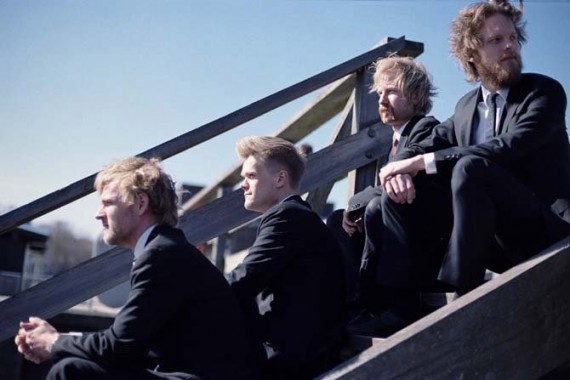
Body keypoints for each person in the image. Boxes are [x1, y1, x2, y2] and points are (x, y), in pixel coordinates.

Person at [380, 0, 570, 296]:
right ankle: (397, 303)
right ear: (471, 54)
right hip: (489, 241)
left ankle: (460, 290)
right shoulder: (465, 107)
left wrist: (418, 163)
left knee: (470, 168)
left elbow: (507, 146)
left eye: (513, 38)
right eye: (496, 40)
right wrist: (399, 166)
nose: (510, 46)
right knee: (396, 196)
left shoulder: (544, 92)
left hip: (544, 231)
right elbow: (430, 141)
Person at [15, 157, 257, 380]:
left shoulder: (162, 255)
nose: (98, 214)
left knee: (71, 372)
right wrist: (60, 341)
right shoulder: (165, 249)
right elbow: (128, 341)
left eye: (107, 203)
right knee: (74, 365)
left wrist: (54, 342)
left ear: (140, 203)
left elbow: (118, 346)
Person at [328, 56, 450, 336]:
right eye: (380, 92)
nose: (382, 99)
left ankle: (391, 305)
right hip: (400, 233)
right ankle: (357, 303)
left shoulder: (427, 127)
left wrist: (357, 203)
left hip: (427, 246)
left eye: (392, 91)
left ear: (416, 95)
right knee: (338, 222)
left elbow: (400, 178)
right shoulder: (393, 142)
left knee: (372, 207)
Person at [228, 136, 346, 380]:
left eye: (251, 176)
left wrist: (188, 296)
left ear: (280, 178)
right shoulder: (291, 215)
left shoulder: (287, 216)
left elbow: (244, 279)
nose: (243, 185)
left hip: (293, 357)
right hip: (287, 346)